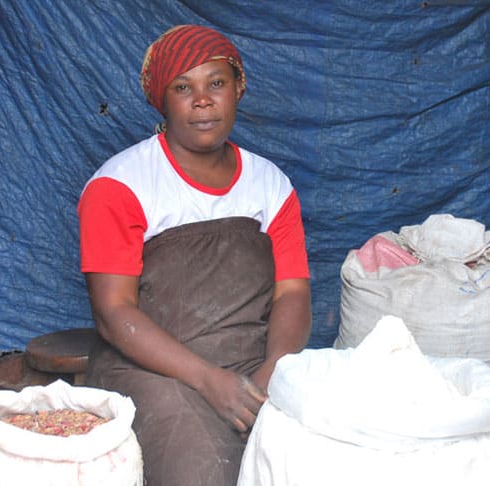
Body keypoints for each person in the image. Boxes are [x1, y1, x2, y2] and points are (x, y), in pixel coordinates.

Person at [77, 24, 312, 486]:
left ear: (239, 88)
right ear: (162, 101)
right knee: (203, 467)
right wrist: (209, 381)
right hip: (152, 367)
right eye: (183, 87)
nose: (202, 100)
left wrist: (273, 370)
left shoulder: (270, 185)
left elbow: (293, 292)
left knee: (320, 452)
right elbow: (113, 312)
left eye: (216, 83)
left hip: (253, 362)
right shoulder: (120, 185)